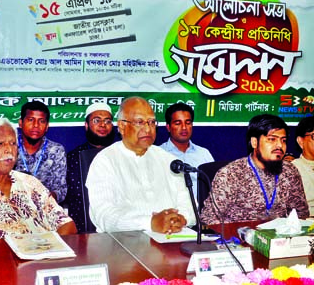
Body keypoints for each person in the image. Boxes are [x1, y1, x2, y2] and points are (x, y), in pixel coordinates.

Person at [86, 97, 195, 233]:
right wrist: (150, 223)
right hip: (124, 244)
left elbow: (190, 204)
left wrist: (180, 219)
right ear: (122, 126)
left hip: (172, 238)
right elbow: (105, 217)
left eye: (151, 122)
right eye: (139, 122)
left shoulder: (168, 159)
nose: (148, 129)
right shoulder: (105, 161)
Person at [200, 114, 309, 225]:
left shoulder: (289, 171)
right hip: (240, 237)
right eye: (272, 139)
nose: (280, 146)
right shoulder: (231, 174)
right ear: (254, 142)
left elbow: (301, 214)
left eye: (283, 140)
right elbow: (208, 218)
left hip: (278, 237)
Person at [63, 102, 115, 233]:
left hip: (116, 227)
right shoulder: (73, 157)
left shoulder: (120, 154)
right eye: (97, 120)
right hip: (81, 230)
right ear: (86, 126)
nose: (103, 125)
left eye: (107, 121)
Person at [14, 101, 67, 203]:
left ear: (47, 126)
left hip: (45, 209)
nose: (36, 125)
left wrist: (44, 199)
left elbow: (61, 190)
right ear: (21, 123)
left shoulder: (56, 150)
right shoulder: (9, 147)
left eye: (41, 121)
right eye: (31, 120)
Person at [160, 102, 214, 201]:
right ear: (168, 127)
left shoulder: (204, 154)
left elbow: (214, 188)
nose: (184, 127)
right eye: (178, 123)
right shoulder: (159, 154)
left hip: (200, 214)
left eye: (188, 122)